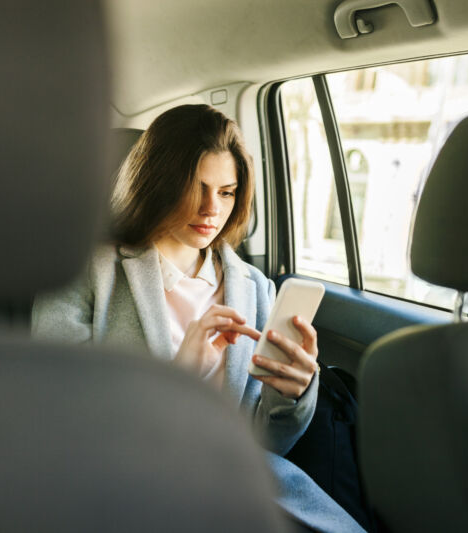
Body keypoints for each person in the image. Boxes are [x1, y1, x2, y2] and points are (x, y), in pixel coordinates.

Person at [32, 104, 365, 532]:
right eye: (196, 187)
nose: (211, 209)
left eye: (226, 192)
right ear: (157, 183)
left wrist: (292, 398)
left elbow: (266, 447)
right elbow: (51, 413)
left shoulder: (256, 288)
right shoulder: (85, 272)